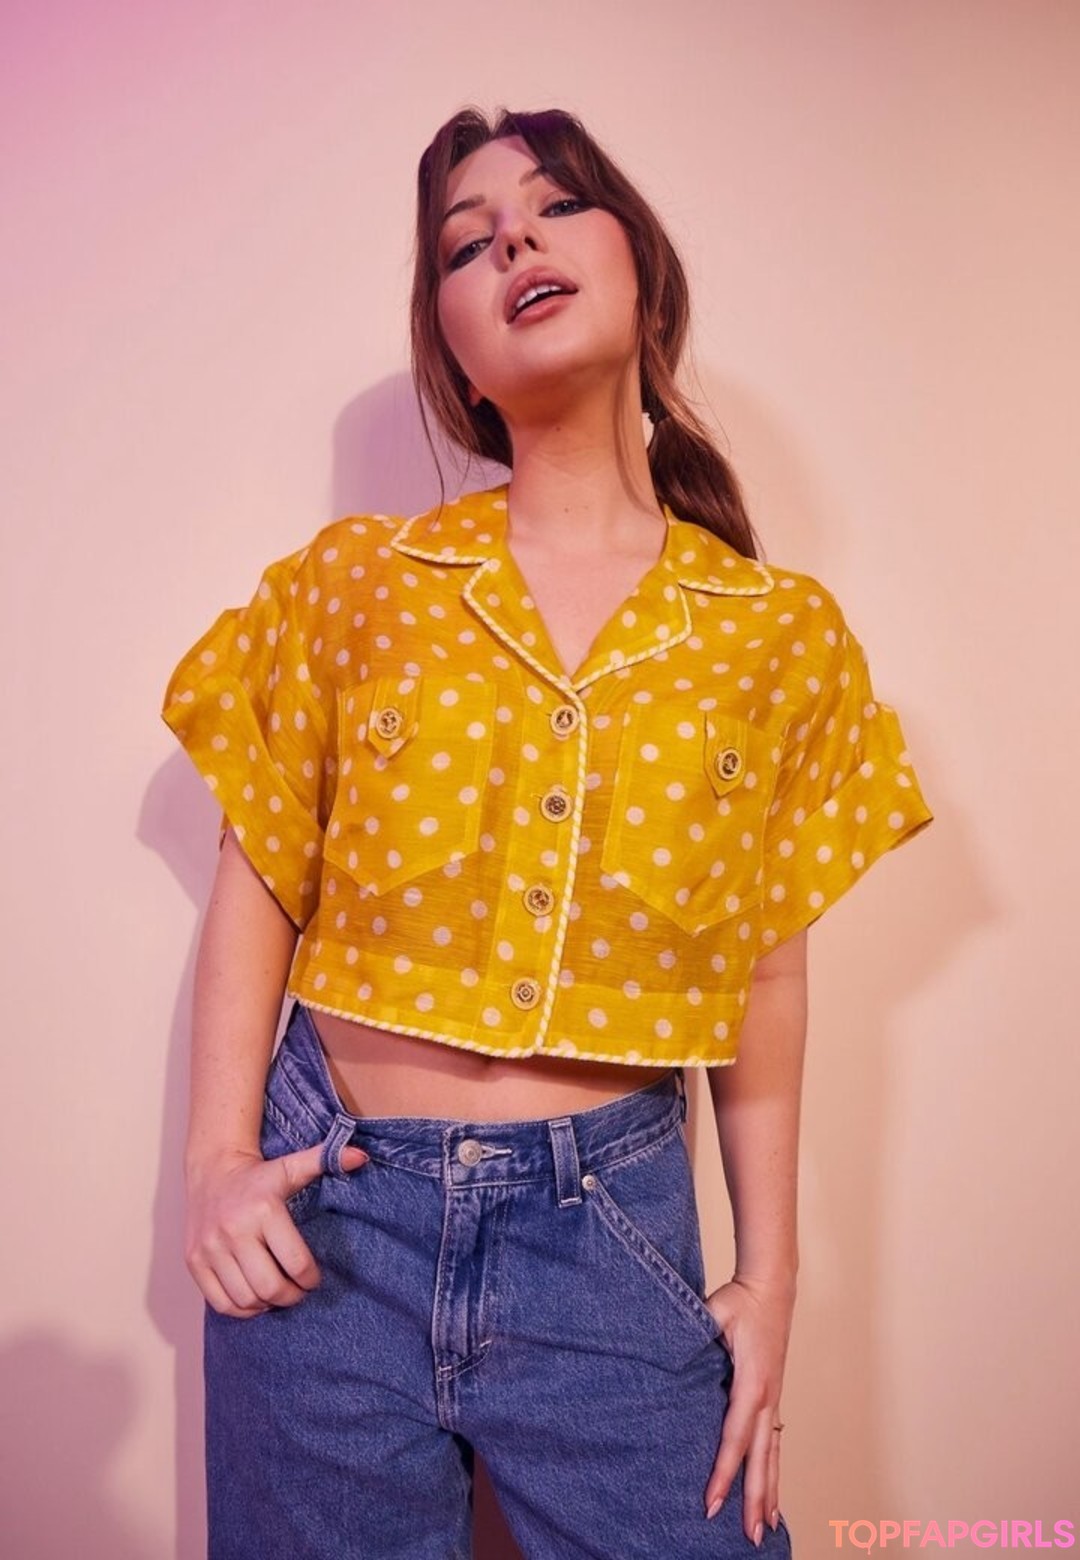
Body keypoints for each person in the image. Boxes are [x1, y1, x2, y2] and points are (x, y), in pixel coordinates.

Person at [161, 105, 934, 1559]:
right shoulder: (360, 582)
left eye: (556, 205)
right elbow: (259, 867)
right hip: (327, 1222)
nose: (513, 237)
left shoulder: (776, 635)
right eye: (467, 243)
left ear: (644, 270)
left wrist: (771, 1279)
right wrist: (212, 1162)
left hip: (613, 1235)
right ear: (453, 349)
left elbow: (767, 970)